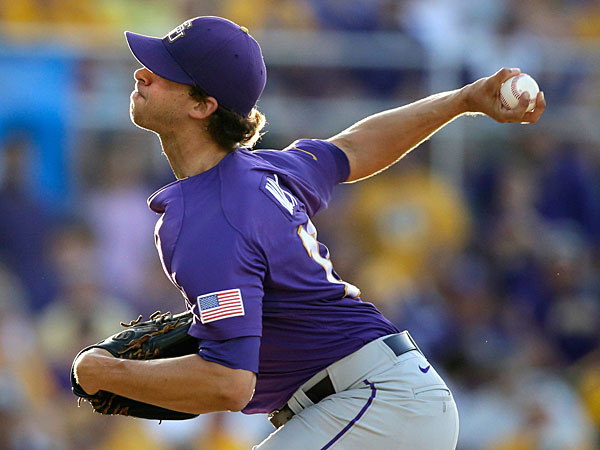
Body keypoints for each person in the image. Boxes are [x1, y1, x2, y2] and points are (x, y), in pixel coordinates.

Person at [73, 16, 545, 450]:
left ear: (203, 104)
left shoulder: (210, 216)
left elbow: (229, 383)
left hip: (374, 407)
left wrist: (102, 371)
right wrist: (462, 99)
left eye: (161, 70)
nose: (141, 73)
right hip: (377, 401)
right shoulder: (266, 171)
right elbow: (354, 149)